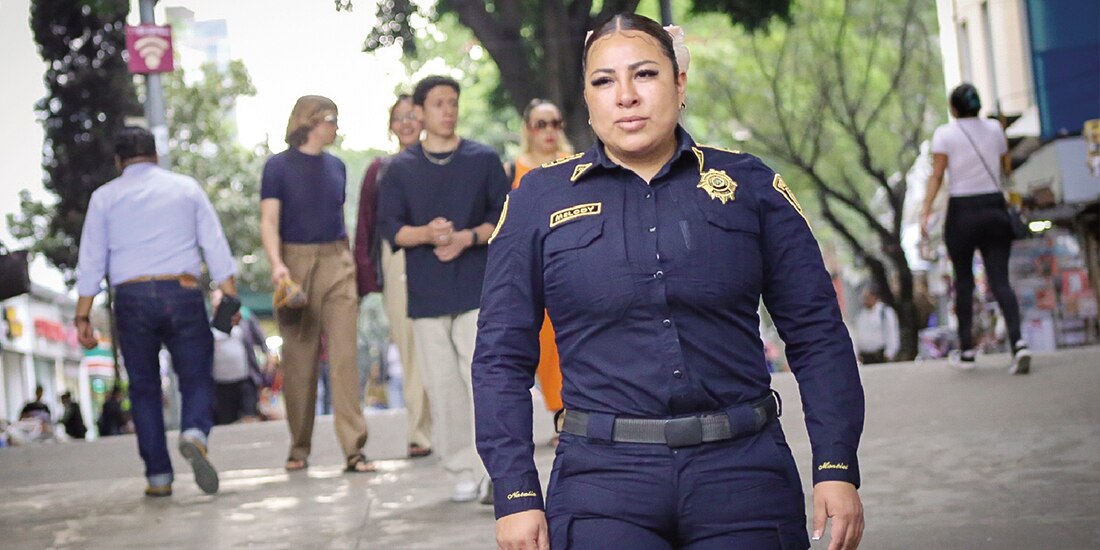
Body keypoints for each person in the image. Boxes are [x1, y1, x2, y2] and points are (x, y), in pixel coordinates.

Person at [474, 14, 865, 550]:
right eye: (604, 81)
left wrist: (836, 463)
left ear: (679, 84)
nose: (626, 96)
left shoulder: (750, 185)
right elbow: (500, 357)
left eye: (645, 75)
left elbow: (818, 334)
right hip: (600, 484)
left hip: (743, 474)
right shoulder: (537, 202)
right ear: (587, 99)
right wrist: (516, 494)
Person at [74, 126, 234, 497]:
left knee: (144, 389)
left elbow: (91, 262)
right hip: (182, 291)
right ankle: (194, 431)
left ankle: (158, 478)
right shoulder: (186, 188)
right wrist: (229, 298)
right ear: (156, 155)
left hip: (130, 298)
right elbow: (215, 246)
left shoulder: (104, 198)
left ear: (118, 161)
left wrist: (83, 316)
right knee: (195, 376)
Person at [377, 75, 510, 503]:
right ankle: (461, 467)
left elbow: (503, 215)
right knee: (443, 386)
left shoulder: (483, 159)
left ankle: (492, 468)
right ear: (420, 111)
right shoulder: (399, 168)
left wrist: (466, 238)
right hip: (427, 293)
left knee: (482, 379)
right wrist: (429, 234)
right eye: (438, 103)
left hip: (476, 286)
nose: (448, 110)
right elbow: (392, 229)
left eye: (453, 102)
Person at [260, 95, 375, 474]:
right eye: (331, 119)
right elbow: (269, 221)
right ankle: (299, 447)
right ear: (309, 121)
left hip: (336, 258)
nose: (336, 126)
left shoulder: (337, 167)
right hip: (294, 262)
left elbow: (339, 215)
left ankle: (354, 450)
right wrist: (278, 266)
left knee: (344, 358)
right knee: (300, 360)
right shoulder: (277, 167)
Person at [920, 83, 1030, 374]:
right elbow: (1005, 168)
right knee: (1000, 280)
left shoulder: (945, 134)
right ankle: (1018, 344)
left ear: (954, 108)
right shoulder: (995, 130)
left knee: (964, 282)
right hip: (994, 208)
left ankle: (967, 350)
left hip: (963, 212)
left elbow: (937, 175)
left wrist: (926, 210)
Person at [355, 93, 434, 459]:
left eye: (412, 115)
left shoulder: (443, 160)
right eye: (399, 117)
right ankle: (420, 432)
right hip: (399, 256)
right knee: (409, 345)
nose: (406, 123)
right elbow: (366, 225)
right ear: (391, 125)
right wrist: (366, 277)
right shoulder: (380, 168)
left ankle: (449, 426)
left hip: (444, 256)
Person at [506, 99, 574, 437]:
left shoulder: (574, 164)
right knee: (545, 345)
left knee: (571, 340)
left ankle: (568, 415)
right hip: (533, 267)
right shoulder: (513, 168)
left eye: (555, 123)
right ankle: (556, 409)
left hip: (573, 262)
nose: (548, 131)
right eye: (540, 124)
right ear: (528, 129)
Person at [210, 291, 260, 425]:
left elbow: (260, 339)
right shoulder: (208, 326)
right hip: (220, 384)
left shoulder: (246, 320)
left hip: (245, 379)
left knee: (249, 416)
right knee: (225, 421)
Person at [854, 286, 900, 364]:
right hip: (866, 356)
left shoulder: (884, 312)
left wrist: (890, 352)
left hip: (880, 355)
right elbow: (858, 335)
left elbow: (891, 332)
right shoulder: (861, 315)